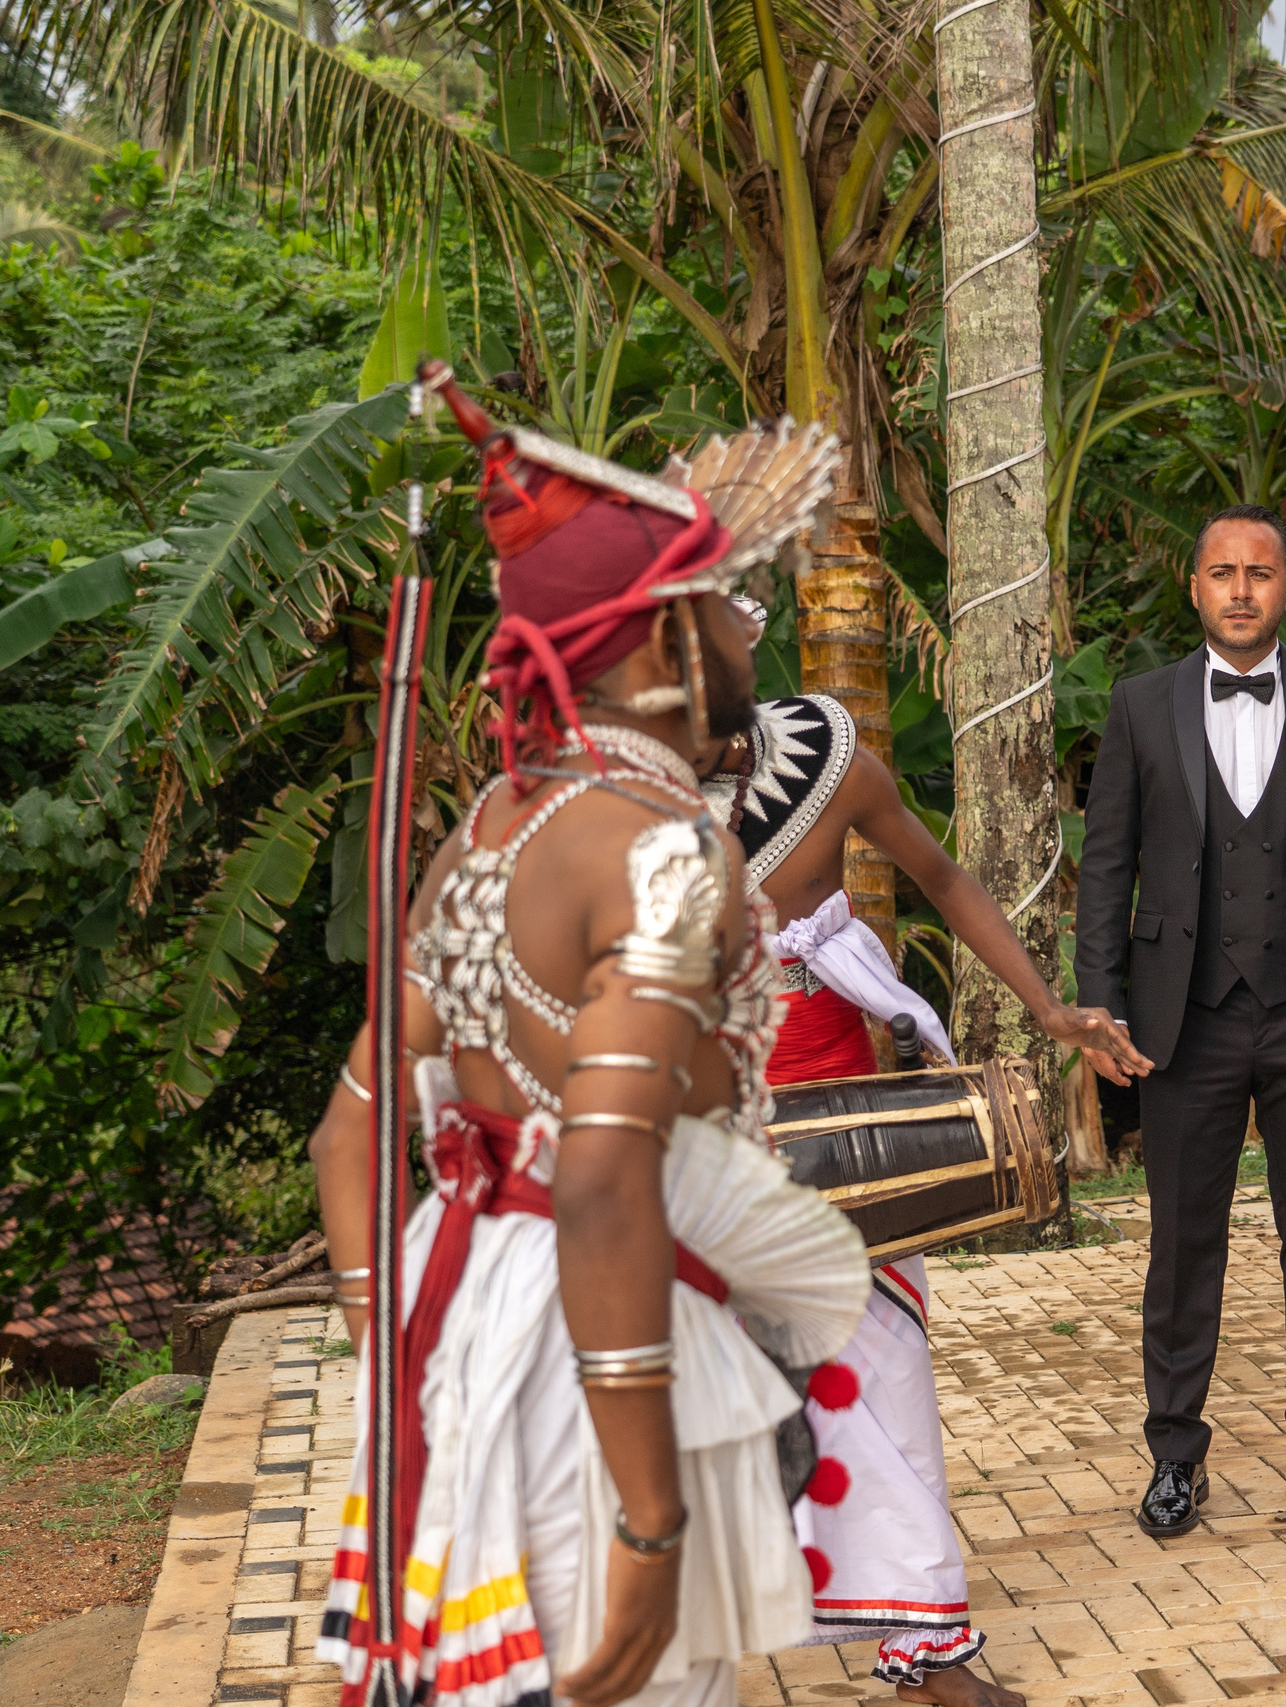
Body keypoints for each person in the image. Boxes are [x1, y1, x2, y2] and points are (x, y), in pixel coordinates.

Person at [308, 385, 872, 1707]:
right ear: (665, 636)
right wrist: (651, 1515)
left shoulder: (485, 830)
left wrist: (399, 1361)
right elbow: (603, 1174)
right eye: (728, 602)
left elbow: (348, 1132)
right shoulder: (667, 849)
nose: (747, 633)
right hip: (595, 1362)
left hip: (456, 1335)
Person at [700, 684, 1147, 1707]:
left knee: (883, 1366)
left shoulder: (826, 760)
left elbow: (941, 875)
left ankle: (923, 1647)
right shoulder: (599, 801)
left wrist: (1048, 1008)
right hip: (679, 1117)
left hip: (833, 1105)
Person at [1073, 504, 1286, 1535]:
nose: (1240, 589)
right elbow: (1108, 865)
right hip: (1181, 1018)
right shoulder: (1140, 706)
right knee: (1183, 1244)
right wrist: (1097, 998)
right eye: (1221, 572)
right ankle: (1174, 1455)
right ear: (1195, 588)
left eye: (1260, 572)